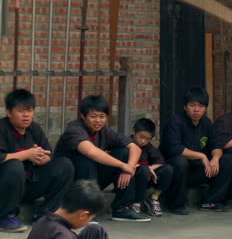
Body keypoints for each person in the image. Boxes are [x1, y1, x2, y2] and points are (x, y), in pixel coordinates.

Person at [54, 95, 150, 222]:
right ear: (83, 116)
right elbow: (91, 151)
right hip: (72, 183)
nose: (98, 120)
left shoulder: (104, 131)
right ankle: (85, 209)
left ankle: (121, 209)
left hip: (92, 179)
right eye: (93, 116)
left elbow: (134, 147)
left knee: (124, 153)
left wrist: (129, 168)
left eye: (102, 116)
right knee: (86, 158)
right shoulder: (75, 129)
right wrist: (122, 165)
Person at [0, 89, 74, 233]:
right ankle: (5, 216)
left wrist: (42, 158)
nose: (26, 115)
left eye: (30, 110)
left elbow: (48, 154)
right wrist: (27, 154)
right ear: (9, 112)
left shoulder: (34, 129)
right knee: (14, 165)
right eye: (20, 111)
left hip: (29, 184)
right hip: (5, 188)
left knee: (64, 165)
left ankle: (45, 214)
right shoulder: (2, 128)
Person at [160, 87, 232, 215]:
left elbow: (216, 144)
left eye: (201, 106)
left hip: (198, 170)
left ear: (205, 108)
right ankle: (176, 204)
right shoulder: (175, 122)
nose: (196, 110)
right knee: (180, 161)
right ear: (185, 106)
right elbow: (174, 148)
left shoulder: (206, 123)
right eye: (192, 105)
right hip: (176, 173)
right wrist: (201, 156)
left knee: (227, 160)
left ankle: (212, 201)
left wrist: (215, 158)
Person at [27, 180, 109, 239]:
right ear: (83, 215)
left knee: (96, 230)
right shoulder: (64, 235)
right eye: (90, 219)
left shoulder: (43, 220)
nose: (87, 223)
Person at [129, 118, 173, 217]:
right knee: (144, 169)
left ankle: (154, 197)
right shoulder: (127, 143)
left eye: (147, 138)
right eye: (141, 137)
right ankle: (136, 202)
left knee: (168, 169)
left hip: (146, 178)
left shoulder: (148, 146)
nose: (143, 141)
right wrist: (145, 168)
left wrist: (151, 169)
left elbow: (160, 161)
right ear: (134, 132)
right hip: (131, 181)